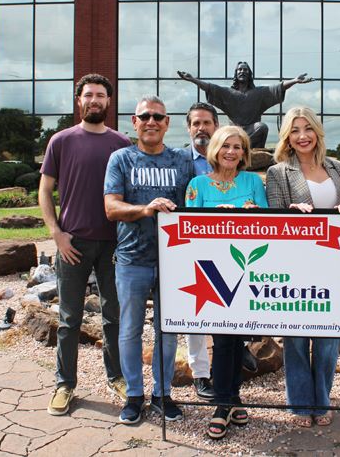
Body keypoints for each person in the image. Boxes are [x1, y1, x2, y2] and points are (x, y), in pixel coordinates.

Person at [39, 73, 131, 416]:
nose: (94, 100)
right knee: (69, 319)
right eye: (88, 95)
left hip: (113, 244)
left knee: (113, 317)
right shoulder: (61, 141)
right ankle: (64, 384)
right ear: (79, 101)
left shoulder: (122, 143)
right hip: (72, 243)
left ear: (109, 102)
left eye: (100, 95)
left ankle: (117, 377)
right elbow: (45, 190)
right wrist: (56, 234)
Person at [104, 95, 195, 424]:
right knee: (129, 330)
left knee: (167, 330)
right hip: (132, 259)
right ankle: (133, 395)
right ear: (135, 121)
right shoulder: (121, 159)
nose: (152, 122)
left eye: (158, 116)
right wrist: (146, 209)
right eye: (145, 116)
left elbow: (196, 204)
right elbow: (111, 207)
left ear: (167, 123)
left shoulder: (182, 161)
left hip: (173, 260)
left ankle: (162, 393)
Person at [265, 106, 340, 428]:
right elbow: (273, 219)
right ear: (287, 136)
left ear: (317, 132)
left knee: (328, 341)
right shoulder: (278, 172)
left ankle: (322, 399)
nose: (302, 136)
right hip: (294, 266)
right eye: (295, 130)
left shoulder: (336, 167)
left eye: (307, 128)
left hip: (332, 265)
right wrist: (289, 211)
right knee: (297, 341)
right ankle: (301, 403)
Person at [185, 125, 267, 439]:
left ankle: (232, 398)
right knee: (221, 340)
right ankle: (223, 403)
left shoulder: (253, 182)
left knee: (237, 340)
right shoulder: (197, 185)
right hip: (212, 271)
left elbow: (267, 219)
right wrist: (213, 217)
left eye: (238, 147)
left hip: (247, 267)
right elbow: (186, 228)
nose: (231, 152)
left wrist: (248, 214)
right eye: (226, 146)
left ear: (244, 153)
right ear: (214, 149)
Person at [177, 102, 219, 401]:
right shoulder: (177, 161)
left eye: (207, 123)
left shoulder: (229, 158)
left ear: (216, 126)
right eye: (196, 123)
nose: (201, 128)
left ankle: (237, 350)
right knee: (197, 310)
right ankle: (201, 374)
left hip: (226, 248)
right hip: (188, 247)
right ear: (188, 128)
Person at [177, 62, 313, 148]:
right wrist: (193, 79)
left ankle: (254, 151)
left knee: (262, 127)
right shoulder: (228, 93)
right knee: (224, 134)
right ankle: (236, 145)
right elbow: (210, 88)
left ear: (249, 74)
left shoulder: (259, 93)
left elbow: (278, 87)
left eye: (245, 70)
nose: (242, 72)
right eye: (239, 70)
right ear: (236, 74)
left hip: (251, 130)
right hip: (235, 131)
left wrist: (294, 81)